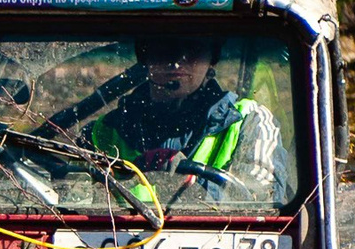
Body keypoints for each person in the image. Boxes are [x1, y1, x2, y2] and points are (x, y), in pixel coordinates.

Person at [82, 37, 281, 201]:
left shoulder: (248, 120)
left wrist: (194, 194)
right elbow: (72, 199)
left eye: (193, 46)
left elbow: (264, 200)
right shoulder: (103, 132)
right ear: (145, 55)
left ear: (212, 57)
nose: (177, 59)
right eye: (163, 46)